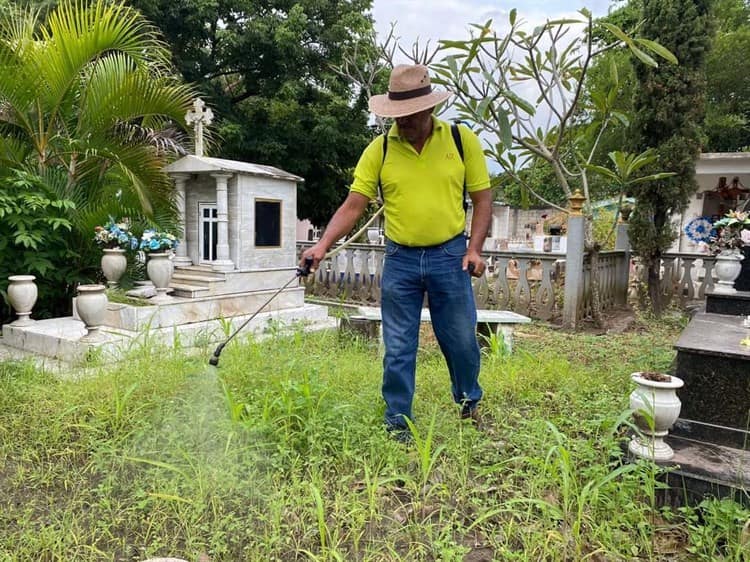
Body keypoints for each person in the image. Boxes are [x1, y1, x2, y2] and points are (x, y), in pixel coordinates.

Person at [300, 64, 492, 439]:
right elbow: (354, 204)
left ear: (428, 109)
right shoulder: (381, 149)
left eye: (408, 115)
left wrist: (474, 249)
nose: (401, 122)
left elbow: (483, 200)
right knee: (399, 345)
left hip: (450, 256)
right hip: (401, 258)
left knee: (461, 339)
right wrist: (322, 245)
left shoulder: (460, 139)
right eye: (396, 115)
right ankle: (398, 423)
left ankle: (469, 403)